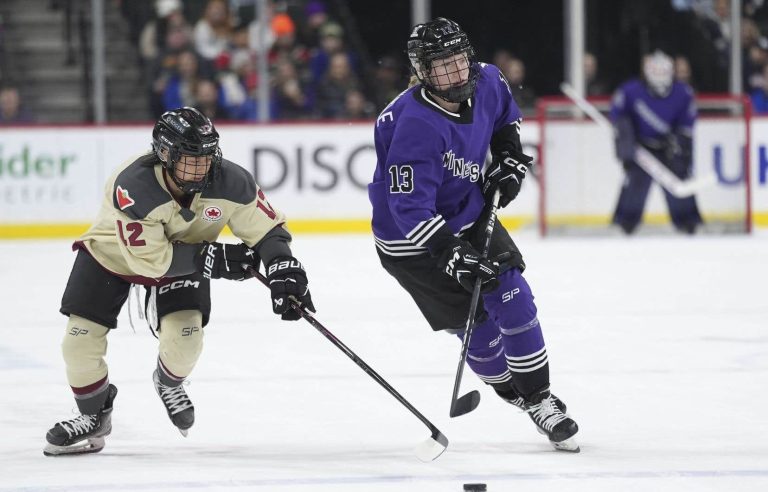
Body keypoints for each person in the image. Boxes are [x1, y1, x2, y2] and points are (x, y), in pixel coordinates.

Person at [44, 107, 315, 456]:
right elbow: (152, 261)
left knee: (186, 340)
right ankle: (94, 414)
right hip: (110, 255)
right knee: (77, 343)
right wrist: (211, 259)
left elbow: (266, 228)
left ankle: (168, 382)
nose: (201, 168)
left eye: (206, 158)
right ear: (165, 153)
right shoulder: (133, 185)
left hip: (186, 259)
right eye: (190, 159)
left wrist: (282, 266)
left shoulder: (232, 180)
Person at [367, 18, 579, 452]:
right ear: (422, 71)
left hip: (468, 213)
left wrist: (509, 160)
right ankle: (514, 394)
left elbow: (506, 123)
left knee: (513, 297)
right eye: (441, 67)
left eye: (459, 61)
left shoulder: (489, 78)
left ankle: (541, 399)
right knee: (481, 333)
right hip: (412, 244)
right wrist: (448, 252)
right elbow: (407, 208)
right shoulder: (410, 124)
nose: (455, 74)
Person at [610, 50, 703, 234]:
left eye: (664, 72)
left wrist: (679, 142)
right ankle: (625, 222)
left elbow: (687, 123)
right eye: (656, 72)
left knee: (678, 179)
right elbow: (619, 117)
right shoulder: (630, 90)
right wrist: (626, 141)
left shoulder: (683, 92)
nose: (660, 77)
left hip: (669, 147)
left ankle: (688, 221)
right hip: (641, 147)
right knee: (635, 182)